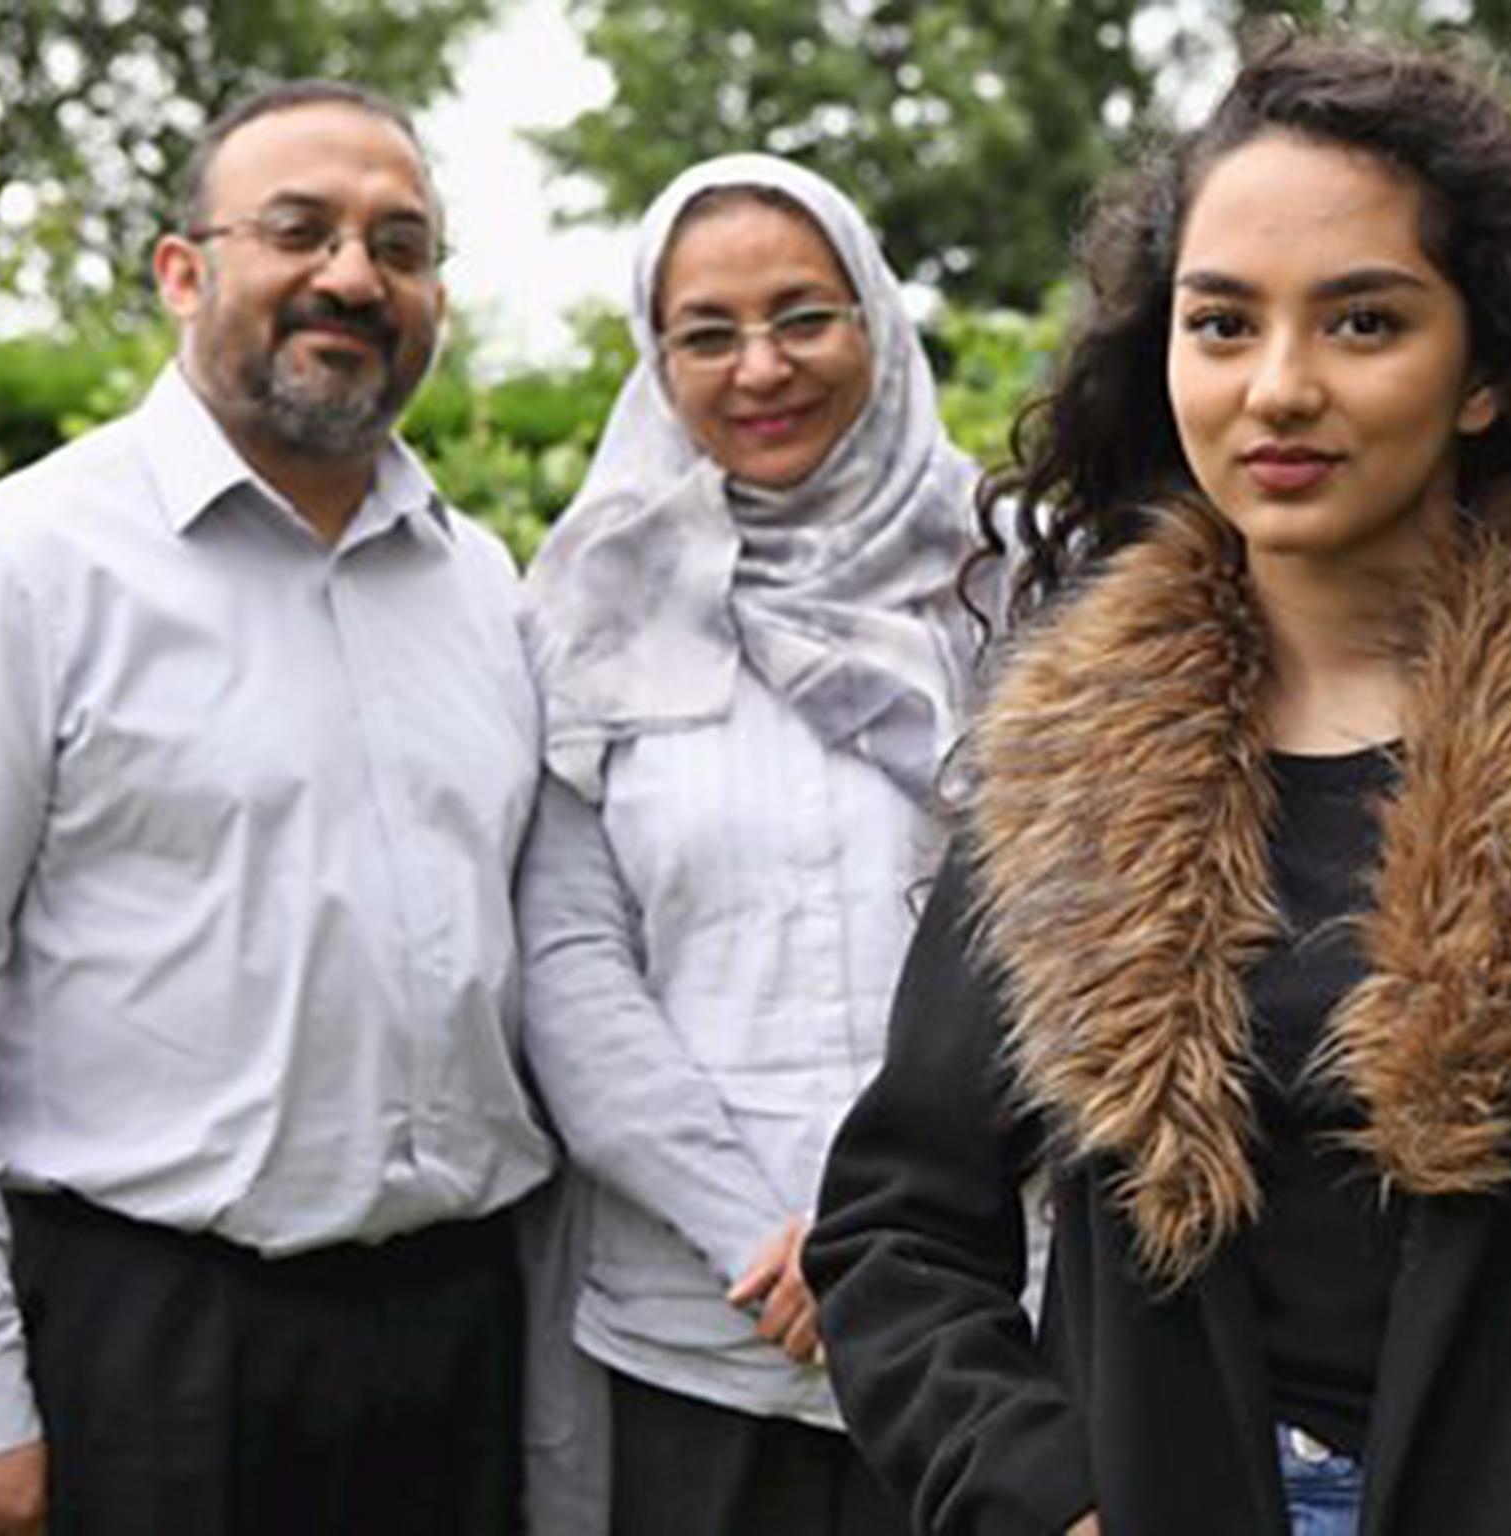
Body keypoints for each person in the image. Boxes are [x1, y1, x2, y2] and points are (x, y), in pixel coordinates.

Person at [803, 32, 1511, 1536]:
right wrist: (1041, 1500)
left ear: (1486, 373)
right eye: (1221, 323)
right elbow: (897, 1227)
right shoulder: (1067, 740)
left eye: (1364, 322)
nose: (1278, 389)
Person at [0, 81, 553, 1536]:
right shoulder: (12, 572)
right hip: (145, 1344)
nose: (352, 275)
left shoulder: (485, 590)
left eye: (399, 245)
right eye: (300, 231)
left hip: (454, 1337)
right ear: (183, 270)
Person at [516, 154, 986, 1535]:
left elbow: (1084, 927)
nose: (760, 367)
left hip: (988, 1308)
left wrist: (893, 1246)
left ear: (878, 323)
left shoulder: (1014, 576)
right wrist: (758, 1236)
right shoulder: (590, 603)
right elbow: (571, 964)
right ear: (655, 360)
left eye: (804, 316)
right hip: (702, 1320)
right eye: (705, 333)